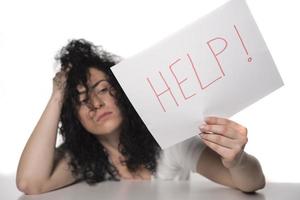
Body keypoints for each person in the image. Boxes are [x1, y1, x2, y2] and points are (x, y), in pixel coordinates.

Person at [16, 39, 265, 195]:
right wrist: (58, 94)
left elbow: (251, 182)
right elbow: (30, 183)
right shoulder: (85, 160)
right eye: (81, 99)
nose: (95, 103)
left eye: (103, 89)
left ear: (123, 93)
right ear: (73, 118)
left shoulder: (170, 143)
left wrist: (237, 160)